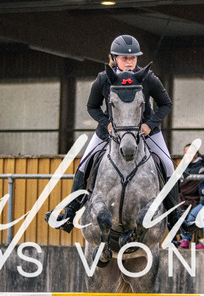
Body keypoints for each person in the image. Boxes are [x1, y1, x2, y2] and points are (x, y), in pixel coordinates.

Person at [49, 35, 192, 234]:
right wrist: (106, 124)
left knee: (168, 165)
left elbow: (165, 104)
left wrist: (149, 125)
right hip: (108, 132)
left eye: (132, 58)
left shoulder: (148, 78)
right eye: (125, 58)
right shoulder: (103, 79)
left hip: (146, 131)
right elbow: (92, 107)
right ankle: (69, 213)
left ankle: (176, 219)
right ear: (114, 58)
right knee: (84, 164)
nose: (129, 62)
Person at [179, 144, 204, 211]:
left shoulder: (201, 168)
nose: (188, 155)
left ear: (196, 154)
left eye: (190, 153)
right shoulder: (181, 167)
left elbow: (196, 187)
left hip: (195, 198)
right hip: (182, 197)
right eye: (186, 153)